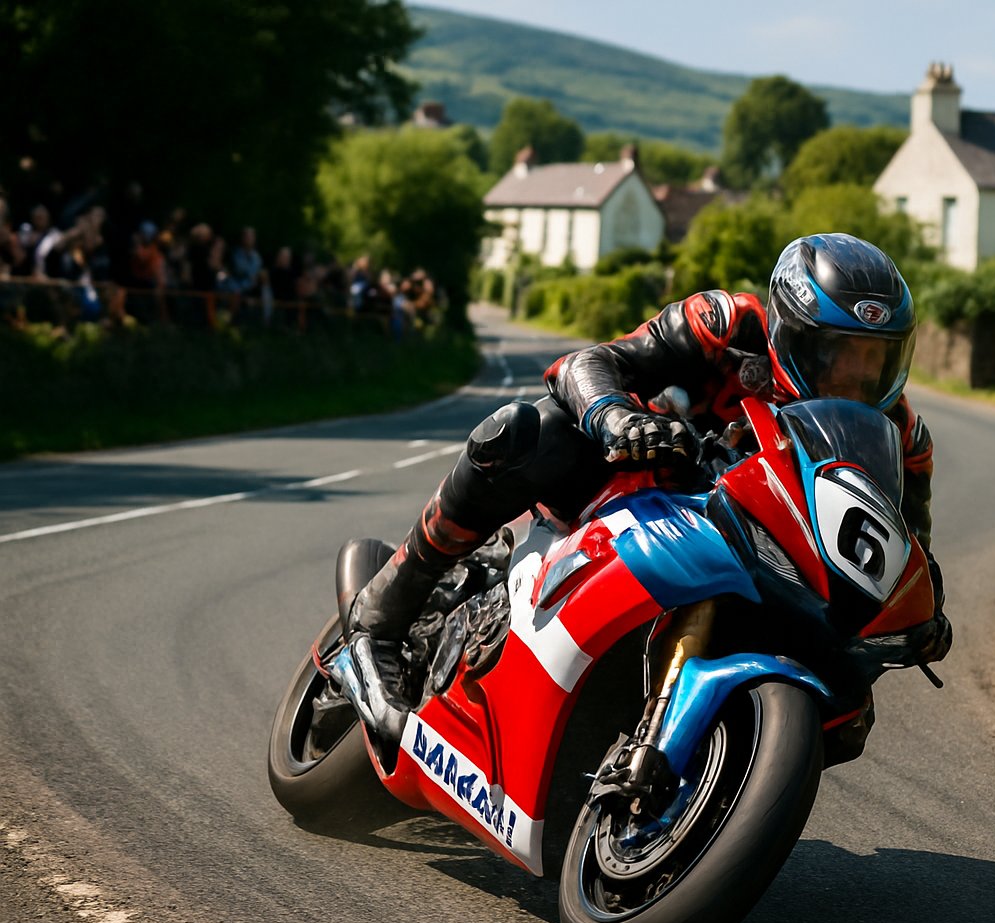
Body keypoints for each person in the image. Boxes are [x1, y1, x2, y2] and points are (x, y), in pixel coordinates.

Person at [346, 233, 951, 739]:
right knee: (525, 431)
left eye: (876, 360)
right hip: (638, 485)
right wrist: (615, 415)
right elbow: (589, 363)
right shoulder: (728, 324)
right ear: (792, 333)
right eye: (839, 354)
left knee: (849, 715)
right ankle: (384, 614)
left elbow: (903, 544)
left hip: (764, 554)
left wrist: (922, 614)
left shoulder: (900, 436)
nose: (857, 376)